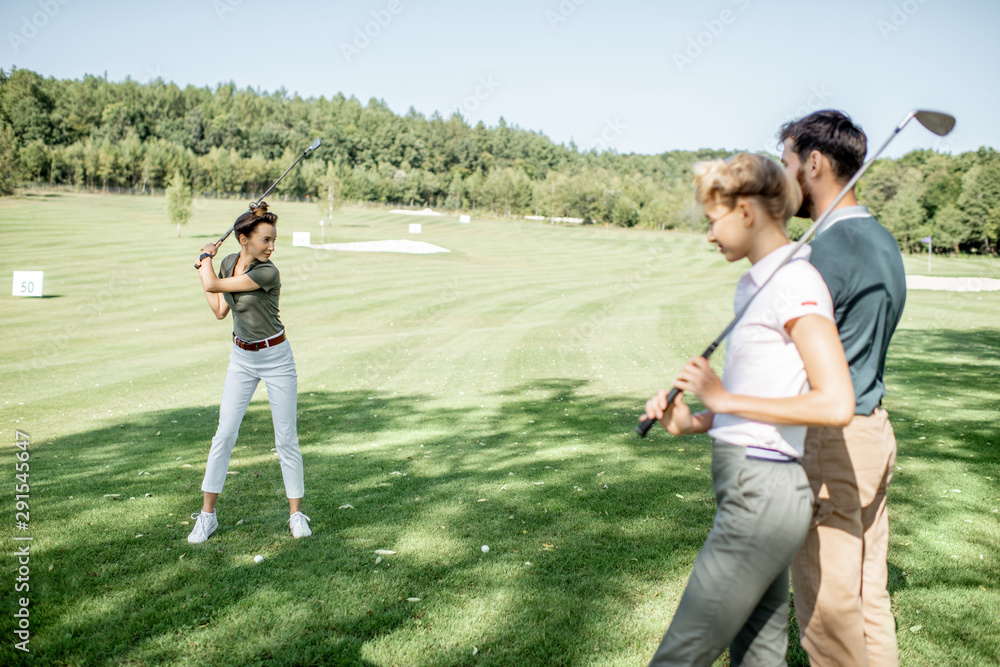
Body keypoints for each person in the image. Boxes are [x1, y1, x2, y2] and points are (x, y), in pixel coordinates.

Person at [642, 153, 854, 666]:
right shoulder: (755, 285)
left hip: (763, 492)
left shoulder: (797, 284)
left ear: (747, 212)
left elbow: (836, 402)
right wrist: (692, 421)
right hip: (752, 485)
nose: (710, 236)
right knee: (758, 654)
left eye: (713, 220)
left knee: (681, 652)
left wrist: (722, 396)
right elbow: (758, 399)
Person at [779, 110, 905, 666]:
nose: (783, 179)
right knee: (867, 598)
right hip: (875, 433)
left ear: (814, 162)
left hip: (832, 444)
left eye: (786, 164)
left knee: (829, 619)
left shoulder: (827, 253)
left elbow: (788, 363)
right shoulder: (883, 241)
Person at [187, 202, 311, 543]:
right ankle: (207, 516)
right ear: (244, 239)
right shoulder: (229, 263)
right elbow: (218, 309)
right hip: (241, 358)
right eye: (265, 240)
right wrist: (206, 263)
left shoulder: (267, 272)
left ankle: (296, 515)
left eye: (273, 240)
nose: (271, 247)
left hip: (276, 357)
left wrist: (204, 259)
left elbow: (213, 286)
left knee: (286, 439)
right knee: (224, 435)